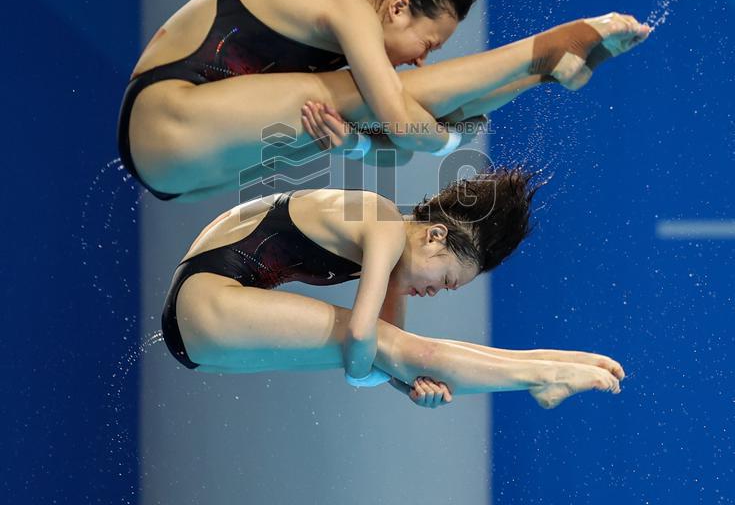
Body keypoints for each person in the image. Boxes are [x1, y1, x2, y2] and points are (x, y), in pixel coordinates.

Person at [116, 0, 651, 202]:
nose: (422, 57)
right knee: (390, 100)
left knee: (341, 122)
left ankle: (541, 74)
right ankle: (546, 48)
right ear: (397, 8)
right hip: (166, 117)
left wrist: (365, 146)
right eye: (427, 41)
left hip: (187, 169)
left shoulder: (355, 43)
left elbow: (390, 138)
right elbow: (401, 121)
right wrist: (444, 141)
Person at [160, 175, 624, 410]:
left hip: (206, 329)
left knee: (407, 349)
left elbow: (372, 369)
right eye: (444, 281)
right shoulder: (381, 221)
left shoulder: (390, 262)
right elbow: (367, 347)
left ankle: (542, 364)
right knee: (404, 347)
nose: (434, 293)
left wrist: (408, 385)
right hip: (207, 300)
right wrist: (394, 366)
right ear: (435, 237)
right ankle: (542, 373)